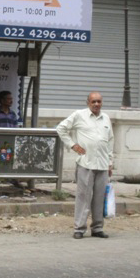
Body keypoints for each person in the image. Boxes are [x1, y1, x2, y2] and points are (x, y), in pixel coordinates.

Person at [56, 91, 114, 239]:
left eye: (99, 101)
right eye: (93, 101)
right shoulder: (79, 115)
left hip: (102, 164)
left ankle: (97, 228)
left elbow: (110, 141)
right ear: (88, 102)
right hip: (85, 163)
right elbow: (61, 128)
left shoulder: (106, 118)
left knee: (99, 198)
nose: (96, 104)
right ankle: (79, 228)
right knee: (83, 197)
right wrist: (73, 145)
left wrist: (110, 162)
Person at [0, 90, 23, 189]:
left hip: (10, 141)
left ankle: (13, 179)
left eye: (11, 99)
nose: (11, 101)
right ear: (2, 100)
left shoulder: (13, 114)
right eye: (8, 99)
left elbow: (15, 128)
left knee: (10, 160)